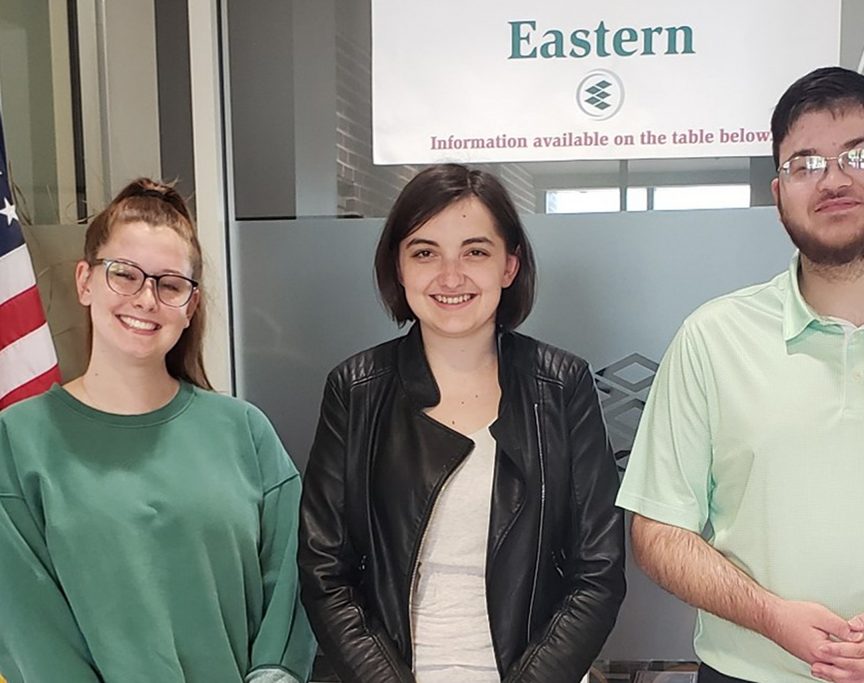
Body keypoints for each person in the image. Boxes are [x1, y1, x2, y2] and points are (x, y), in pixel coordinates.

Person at [617, 66, 864, 683]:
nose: (833, 179)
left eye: (860, 155)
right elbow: (656, 531)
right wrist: (771, 617)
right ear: (779, 192)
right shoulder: (713, 336)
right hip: (753, 672)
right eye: (804, 163)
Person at [298, 163, 625, 682]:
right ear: (399, 268)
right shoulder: (356, 390)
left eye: (475, 251)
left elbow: (598, 573)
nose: (450, 277)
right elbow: (325, 575)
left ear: (509, 267)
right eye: (425, 252)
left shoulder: (561, 385)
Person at [0, 179, 315, 683]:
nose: (145, 299)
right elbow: (26, 622)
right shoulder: (16, 442)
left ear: (190, 306)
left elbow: (291, 588)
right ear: (84, 281)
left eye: (169, 285)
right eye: (124, 274)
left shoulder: (244, 432)